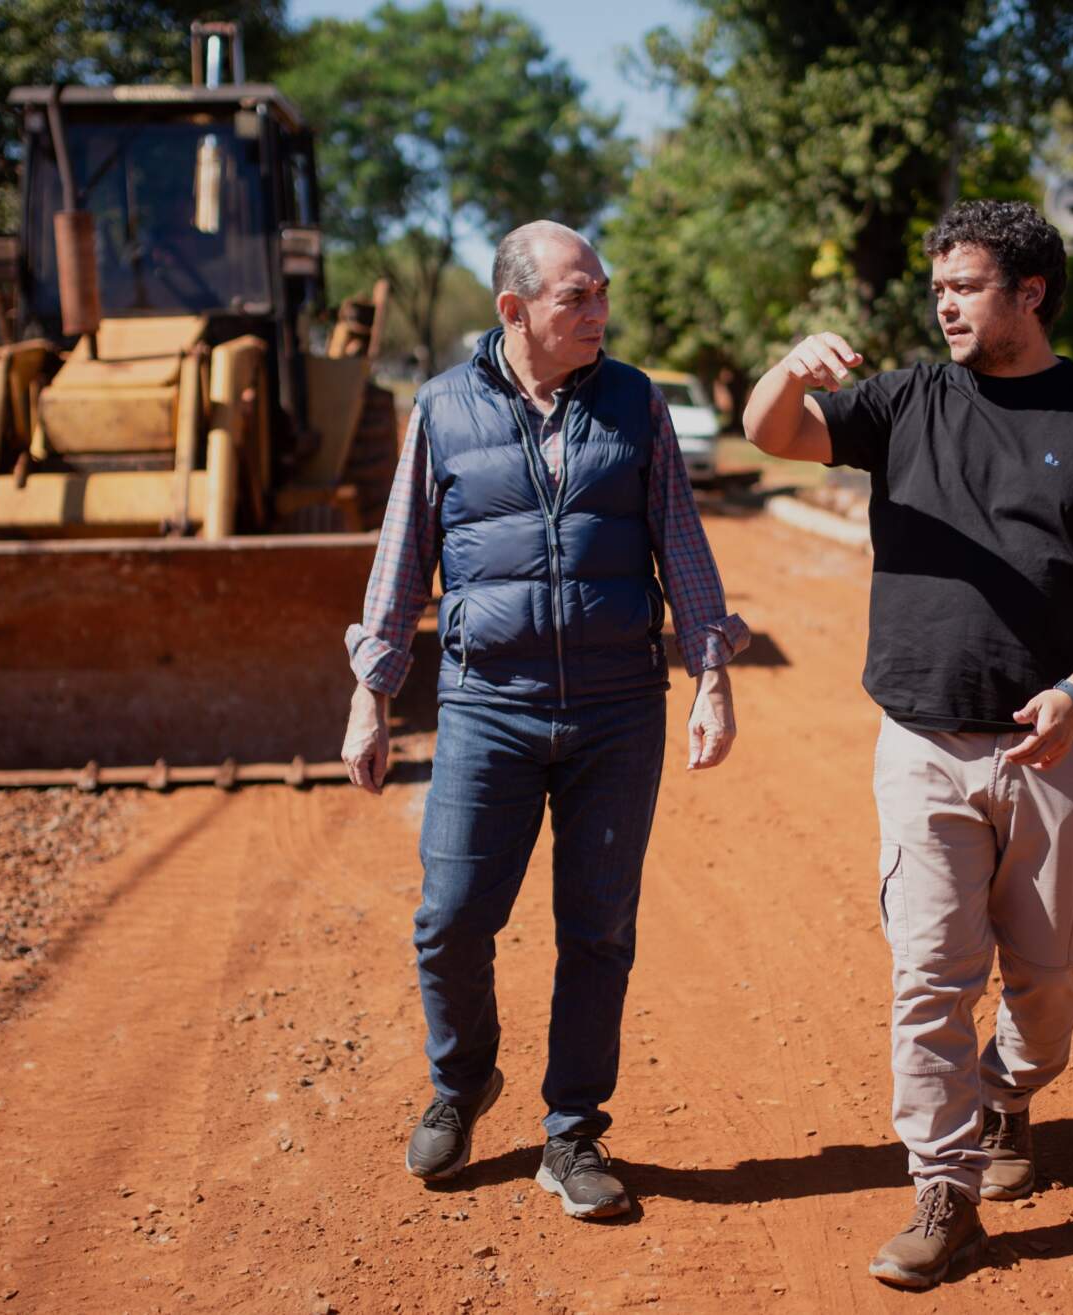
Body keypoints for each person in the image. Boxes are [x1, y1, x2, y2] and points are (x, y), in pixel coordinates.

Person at [744, 200, 1073, 1288]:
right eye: (935, 284)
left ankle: (1007, 1092)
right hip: (923, 741)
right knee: (929, 973)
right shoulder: (904, 402)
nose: (941, 301)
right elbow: (772, 434)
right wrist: (789, 370)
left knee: (1049, 982)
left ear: (1028, 293)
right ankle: (942, 1188)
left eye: (964, 285)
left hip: (1058, 749)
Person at [342, 220, 748, 1220]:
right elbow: (403, 558)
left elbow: (680, 546)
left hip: (616, 708)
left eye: (602, 290)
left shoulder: (635, 402)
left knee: (597, 928)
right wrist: (372, 692)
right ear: (514, 310)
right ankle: (462, 1079)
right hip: (488, 706)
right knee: (448, 920)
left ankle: (572, 1131)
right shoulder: (441, 407)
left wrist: (710, 670)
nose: (598, 311)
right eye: (577, 296)